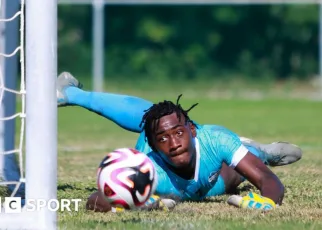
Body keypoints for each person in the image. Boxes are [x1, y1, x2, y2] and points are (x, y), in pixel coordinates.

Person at [56, 72, 302, 212]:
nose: (173, 142)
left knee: (240, 171)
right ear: (151, 146)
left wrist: (268, 201)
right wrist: (130, 200)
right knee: (154, 118)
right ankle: (69, 94)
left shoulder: (214, 139)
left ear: (192, 130)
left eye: (179, 133)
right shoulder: (146, 166)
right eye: (162, 139)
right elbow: (96, 199)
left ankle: (258, 152)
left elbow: (268, 180)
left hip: (212, 170)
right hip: (185, 171)